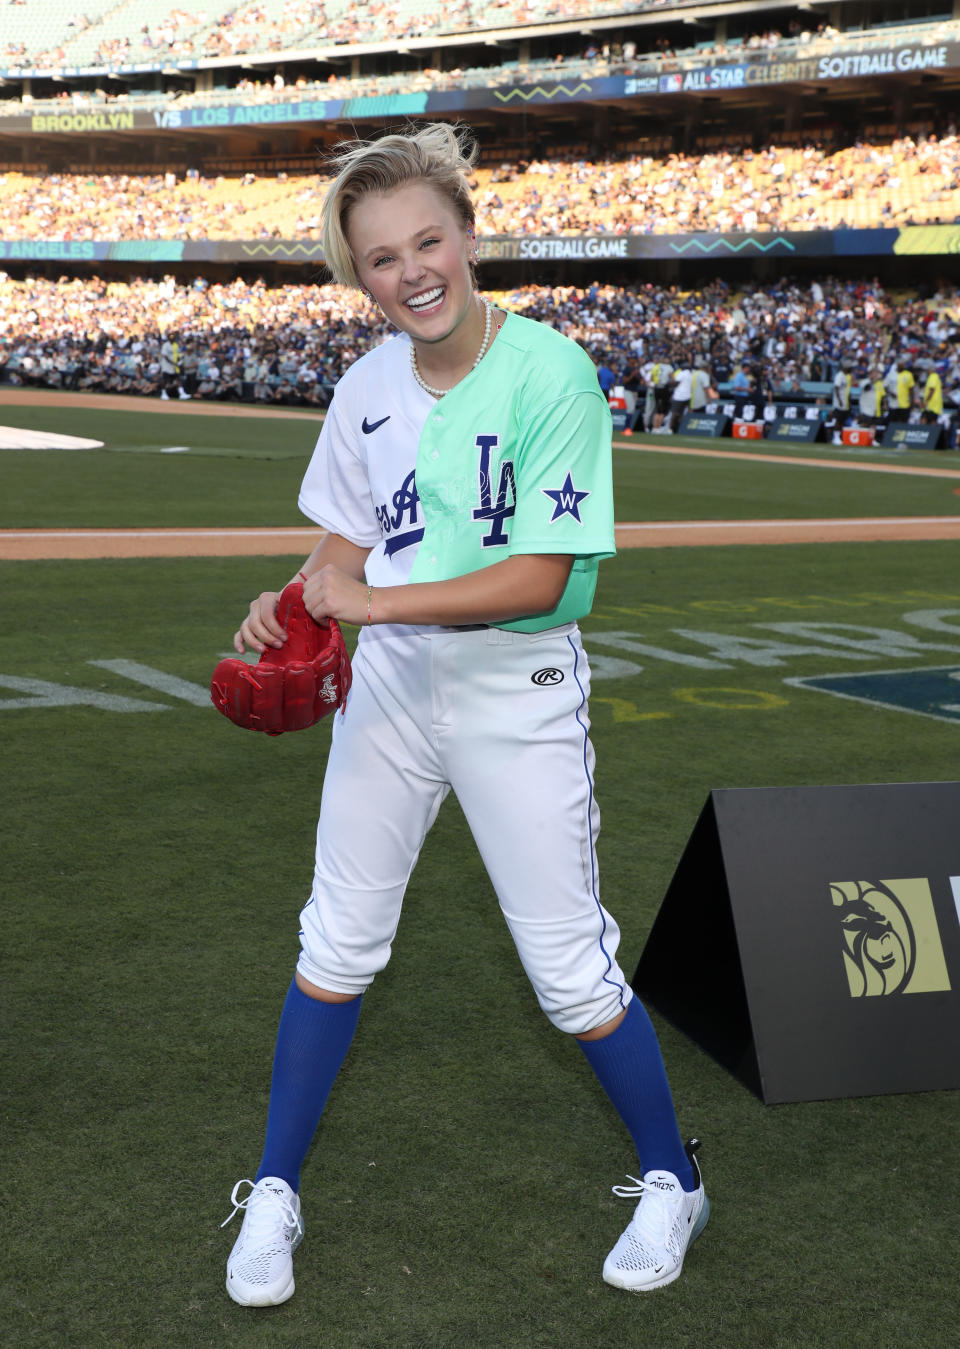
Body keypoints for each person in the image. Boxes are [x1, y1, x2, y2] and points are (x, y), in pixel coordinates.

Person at [219, 123, 708, 1309]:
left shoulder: (550, 372)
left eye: (427, 240)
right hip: (389, 685)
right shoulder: (365, 383)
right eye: (380, 258)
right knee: (335, 941)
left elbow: (543, 578)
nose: (410, 271)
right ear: (361, 276)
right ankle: (274, 1187)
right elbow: (344, 534)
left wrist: (370, 597)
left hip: (514, 690)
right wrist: (289, 602)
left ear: (470, 237)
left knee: (569, 971)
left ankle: (673, 1174)